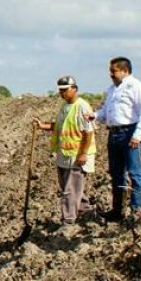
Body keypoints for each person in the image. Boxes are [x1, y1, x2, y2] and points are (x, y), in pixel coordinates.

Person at [93, 57, 141, 221]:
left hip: (129, 133)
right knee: (117, 173)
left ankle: (137, 209)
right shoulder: (112, 90)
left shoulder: (137, 87)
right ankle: (117, 210)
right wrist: (94, 116)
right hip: (114, 134)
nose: (111, 74)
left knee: (134, 172)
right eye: (110, 71)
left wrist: (137, 135)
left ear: (125, 71)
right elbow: (106, 113)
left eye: (114, 71)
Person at [34, 76, 96, 229]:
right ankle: (86, 212)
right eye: (60, 90)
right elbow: (59, 126)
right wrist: (42, 126)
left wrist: (83, 154)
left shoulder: (82, 107)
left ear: (74, 89)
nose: (62, 93)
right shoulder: (65, 106)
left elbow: (88, 132)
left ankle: (68, 221)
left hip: (77, 155)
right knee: (70, 187)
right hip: (65, 154)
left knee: (70, 190)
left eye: (65, 90)